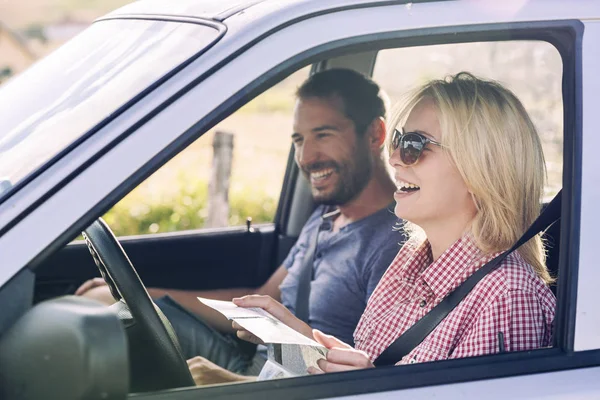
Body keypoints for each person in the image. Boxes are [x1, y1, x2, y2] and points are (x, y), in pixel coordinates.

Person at [76, 68, 404, 378]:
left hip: (287, 383)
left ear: (375, 133)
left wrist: (233, 384)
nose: (305, 157)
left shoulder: (393, 243)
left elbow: (362, 378)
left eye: (323, 134)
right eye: (299, 140)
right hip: (257, 362)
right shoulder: (326, 217)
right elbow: (261, 300)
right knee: (104, 305)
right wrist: (143, 295)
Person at [228, 72, 556, 375]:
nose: (395, 156)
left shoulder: (508, 297)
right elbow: (377, 368)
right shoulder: (410, 263)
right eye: (397, 140)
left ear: (480, 168)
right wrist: (302, 339)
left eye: (415, 145)